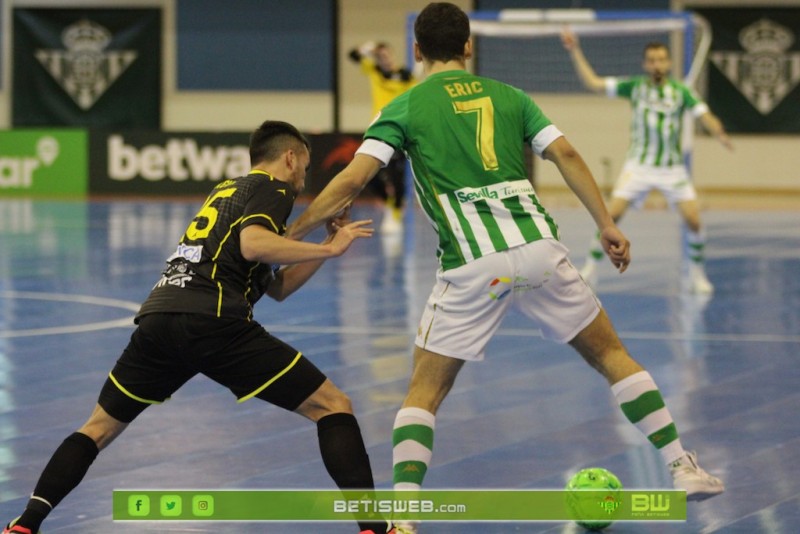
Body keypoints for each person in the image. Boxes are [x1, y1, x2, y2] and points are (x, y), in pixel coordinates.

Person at [289, 4, 724, 532]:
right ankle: (683, 467)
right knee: (612, 354)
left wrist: (294, 233)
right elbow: (566, 153)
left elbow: (354, 180)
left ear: (418, 51)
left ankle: (403, 518)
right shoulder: (511, 95)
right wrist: (606, 222)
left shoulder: (402, 108)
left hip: (474, 263)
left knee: (424, 393)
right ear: (468, 47)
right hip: (541, 248)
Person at [2, 121, 393, 534]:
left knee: (97, 428)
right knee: (333, 406)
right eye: (304, 167)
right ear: (290, 157)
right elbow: (254, 245)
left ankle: (26, 524)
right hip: (213, 322)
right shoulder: (273, 189)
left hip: (159, 318)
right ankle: (373, 527)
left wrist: (320, 251)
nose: (303, 178)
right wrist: (331, 248)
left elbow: (275, 287)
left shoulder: (226, 193)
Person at [561, 29, 733, 294]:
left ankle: (696, 274)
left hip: (672, 169)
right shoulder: (635, 87)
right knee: (610, 216)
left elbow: (705, 114)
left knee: (694, 221)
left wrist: (719, 133)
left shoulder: (681, 92)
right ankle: (590, 269)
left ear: (669, 63)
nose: (657, 64)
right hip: (639, 167)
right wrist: (575, 51)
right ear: (645, 64)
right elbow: (594, 83)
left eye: (661, 59)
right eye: (651, 60)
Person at [349, 40, 416, 234]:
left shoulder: (406, 76)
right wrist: (369, 48)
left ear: (393, 55)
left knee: (397, 176)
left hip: (400, 130)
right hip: (377, 129)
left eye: (386, 55)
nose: (384, 59)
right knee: (368, 174)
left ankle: (395, 214)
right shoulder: (375, 72)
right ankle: (389, 204)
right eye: (380, 56)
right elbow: (353, 55)